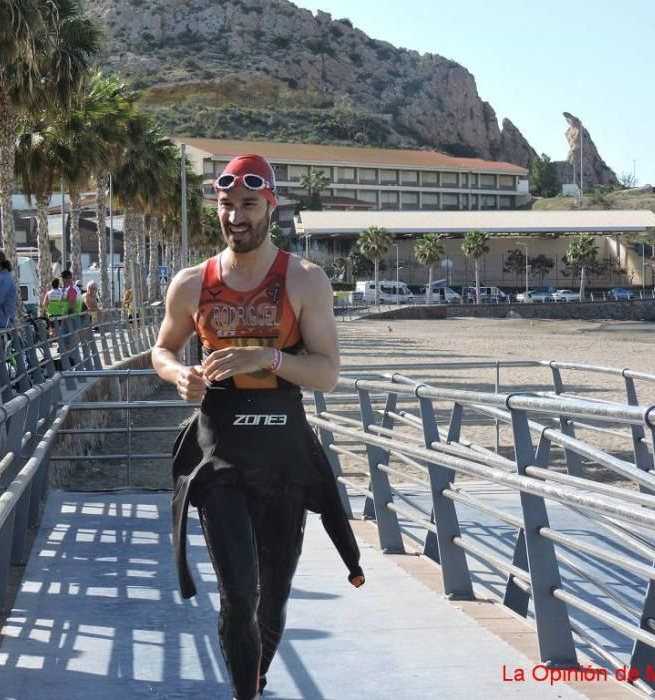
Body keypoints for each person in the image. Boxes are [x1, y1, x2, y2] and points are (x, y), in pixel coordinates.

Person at [152, 154, 364, 700]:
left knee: (273, 597)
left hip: (283, 458)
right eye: (227, 206)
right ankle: (244, 692)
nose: (236, 216)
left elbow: (328, 373)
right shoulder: (191, 283)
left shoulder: (304, 280)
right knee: (239, 593)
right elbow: (163, 348)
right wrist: (180, 376)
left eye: (248, 204)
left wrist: (263, 359)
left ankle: (256, 670)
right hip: (219, 454)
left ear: (270, 205)